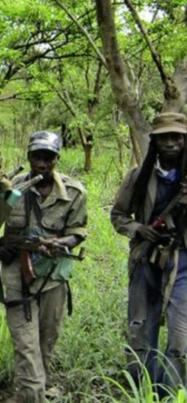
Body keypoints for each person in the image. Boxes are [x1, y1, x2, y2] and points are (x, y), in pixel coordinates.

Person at [0, 131, 87, 403]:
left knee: (45, 342)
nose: (42, 164)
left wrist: (61, 242)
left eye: (48, 158)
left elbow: (79, 231)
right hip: (16, 274)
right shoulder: (14, 189)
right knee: (26, 344)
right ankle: (33, 395)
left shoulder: (74, 192)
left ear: (57, 158)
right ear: (29, 157)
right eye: (37, 157)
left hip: (53, 276)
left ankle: (28, 393)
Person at [111, 112, 187, 393]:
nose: (170, 143)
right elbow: (118, 215)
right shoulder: (139, 176)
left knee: (180, 336)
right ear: (154, 141)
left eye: (176, 137)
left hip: (182, 263)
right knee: (141, 329)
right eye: (164, 138)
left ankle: (170, 394)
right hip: (145, 260)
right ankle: (141, 391)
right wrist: (140, 229)